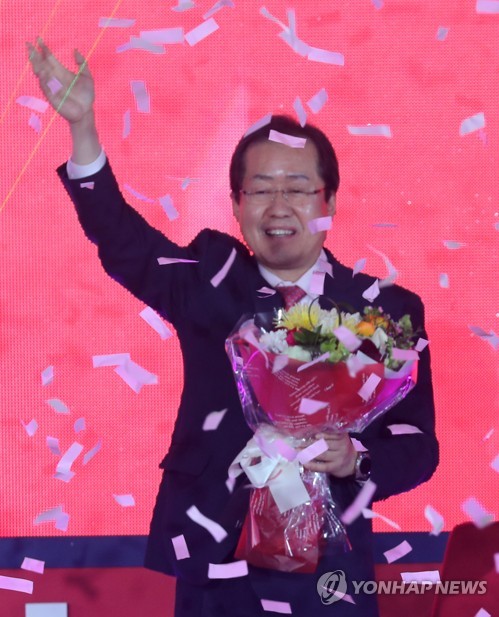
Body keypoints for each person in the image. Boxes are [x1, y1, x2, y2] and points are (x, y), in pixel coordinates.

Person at [28, 40, 438, 616]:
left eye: (298, 189)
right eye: (261, 189)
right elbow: (123, 241)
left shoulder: (386, 310)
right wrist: (82, 127)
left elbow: (418, 446)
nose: (279, 206)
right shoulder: (208, 279)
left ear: (330, 201)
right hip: (215, 559)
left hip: (331, 568)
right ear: (237, 204)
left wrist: (355, 459)